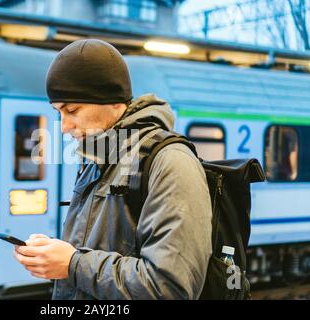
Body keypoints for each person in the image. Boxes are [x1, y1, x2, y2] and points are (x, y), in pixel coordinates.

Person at [13, 39, 212, 299]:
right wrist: (54, 255)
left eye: (72, 109)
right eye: (58, 111)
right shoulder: (98, 159)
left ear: (113, 102)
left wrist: (72, 264)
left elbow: (170, 287)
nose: (63, 126)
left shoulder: (171, 163)